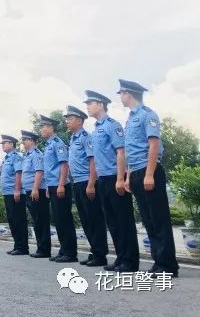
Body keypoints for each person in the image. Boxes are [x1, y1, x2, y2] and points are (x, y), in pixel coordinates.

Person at [119, 79, 179, 277]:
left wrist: (150, 174)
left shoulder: (147, 115)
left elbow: (153, 145)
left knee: (158, 218)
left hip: (148, 170)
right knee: (148, 219)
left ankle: (168, 266)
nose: (120, 96)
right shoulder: (130, 118)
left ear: (129, 94)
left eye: (122, 93)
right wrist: (128, 176)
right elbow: (130, 150)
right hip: (136, 172)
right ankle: (158, 261)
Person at [84, 89, 139, 273]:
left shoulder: (111, 125)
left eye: (90, 103)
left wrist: (120, 178)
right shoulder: (96, 129)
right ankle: (121, 258)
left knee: (123, 220)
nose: (88, 107)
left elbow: (121, 152)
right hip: (103, 180)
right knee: (113, 221)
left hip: (115, 178)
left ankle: (130, 261)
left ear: (101, 104)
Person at [64, 105, 108, 267]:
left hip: (87, 182)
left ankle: (100, 255)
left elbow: (92, 161)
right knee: (85, 220)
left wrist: (91, 183)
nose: (67, 122)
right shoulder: (73, 138)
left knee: (94, 219)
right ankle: (94, 251)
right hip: (77, 182)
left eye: (70, 119)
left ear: (79, 121)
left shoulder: (85, 137)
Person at [39, 114, 78, 263]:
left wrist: (61, 184)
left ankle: (70, 253)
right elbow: (50, 168)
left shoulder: (57, 143)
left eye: (43, 127)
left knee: (64, 219)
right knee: (59, 220)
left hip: (61, 186)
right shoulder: (48, 144)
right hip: (53, 186)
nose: (41, 129)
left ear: (51, 127)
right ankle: (64, 250)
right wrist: (50, 186)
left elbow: (64, 165)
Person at [20, 130, 50, 258]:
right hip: (30, 191)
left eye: (25, 140)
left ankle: (44, 249)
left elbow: (39, 172)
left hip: (37, 191)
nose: (23, 142)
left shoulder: (36, 154)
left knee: (41, 220)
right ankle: (40, 247)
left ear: (31, 141)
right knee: (36, 220)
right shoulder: (27, 155)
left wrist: (35, 189)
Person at [0, 134, 28, 255]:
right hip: (7, 193)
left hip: (15, 193)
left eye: (5, 143)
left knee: (18, 220)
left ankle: (22, 247)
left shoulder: (16, 157)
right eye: (2, 143)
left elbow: (18, 173)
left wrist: (17, 190)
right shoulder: (6, 158)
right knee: (12, 220)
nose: (2, 145)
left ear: (11, 144)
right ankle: (17, 245)